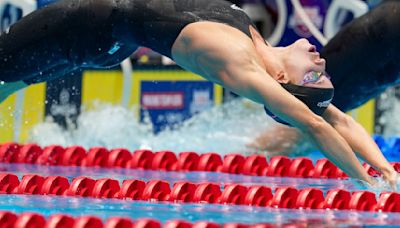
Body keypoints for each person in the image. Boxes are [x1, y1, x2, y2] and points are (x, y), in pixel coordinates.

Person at [0, 0, 397, 188]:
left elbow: (315, 122)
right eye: (322, 75)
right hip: (100, 38)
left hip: (82, 27)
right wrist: (390, 174)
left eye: (313, 78)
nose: (321, 64)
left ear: (279, 78)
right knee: (9, 83)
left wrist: (365, 180)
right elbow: (338, 118)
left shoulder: (240, 63)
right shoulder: (258, 50)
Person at [250, 0, 400, 169]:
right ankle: (249, 158)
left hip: (386, 48)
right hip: (374, 39)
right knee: (306, 123)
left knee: (314, 123)